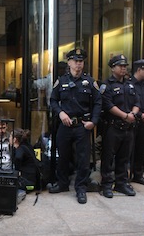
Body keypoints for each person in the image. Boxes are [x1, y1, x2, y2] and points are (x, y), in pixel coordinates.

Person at [48, 48, 102, 204]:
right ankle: (63, 184)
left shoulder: (90, 82)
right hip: (65, 125)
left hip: (82, 126)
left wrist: (94, 121)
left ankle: (80, 188)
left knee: (83, 159)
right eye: (76, 61)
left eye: (81, 61)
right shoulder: (61, 81)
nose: (78, 64)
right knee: (63, 156)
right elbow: (53, 100)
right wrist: (60, 113)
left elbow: (99, 102)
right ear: (69, 62)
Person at [100, 54, 140, 198]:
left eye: (125, 66)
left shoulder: (129, 84)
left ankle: (121, 183)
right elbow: (108, 104)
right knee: (108, 157)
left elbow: (137, 102)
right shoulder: (107, 85)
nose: (123, 68)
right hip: (113, 126)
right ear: (112, 68)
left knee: (124, 158)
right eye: (120, 66)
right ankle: (106, 185)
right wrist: (125, 116)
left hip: (128, 127)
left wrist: (133, 114)